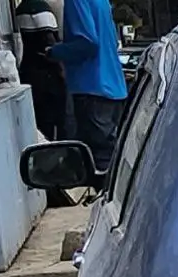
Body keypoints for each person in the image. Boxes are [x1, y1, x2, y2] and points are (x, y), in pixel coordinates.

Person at [46, 0, 127, 184]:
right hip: (114, 88)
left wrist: (55, 52)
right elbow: (113, 41)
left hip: (92, 89)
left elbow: (87, 42)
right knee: (115, 159)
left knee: (99, 165)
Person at [14, 0, 69, 140]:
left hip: (31, 76)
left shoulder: (22, 8)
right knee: (61, 126)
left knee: (43, 128)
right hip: (49, 77)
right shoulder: (40, 8)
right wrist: (61, 68)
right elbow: (48, 41)